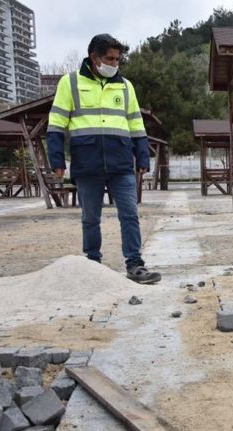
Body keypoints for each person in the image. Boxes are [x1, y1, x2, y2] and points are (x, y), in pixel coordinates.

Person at [46, 34, 160, 284]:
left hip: (121, 164)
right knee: (90, 218)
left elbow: (136, 125)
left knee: (130, 214)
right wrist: (56, 161)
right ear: (94, 57)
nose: (114, 63)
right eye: (110, 58)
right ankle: (92, 265)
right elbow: (55, 124)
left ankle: (135, 265)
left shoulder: (125, 86)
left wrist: (142, 158)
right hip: (87, 164)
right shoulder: (70, 83)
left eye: (118, 59)